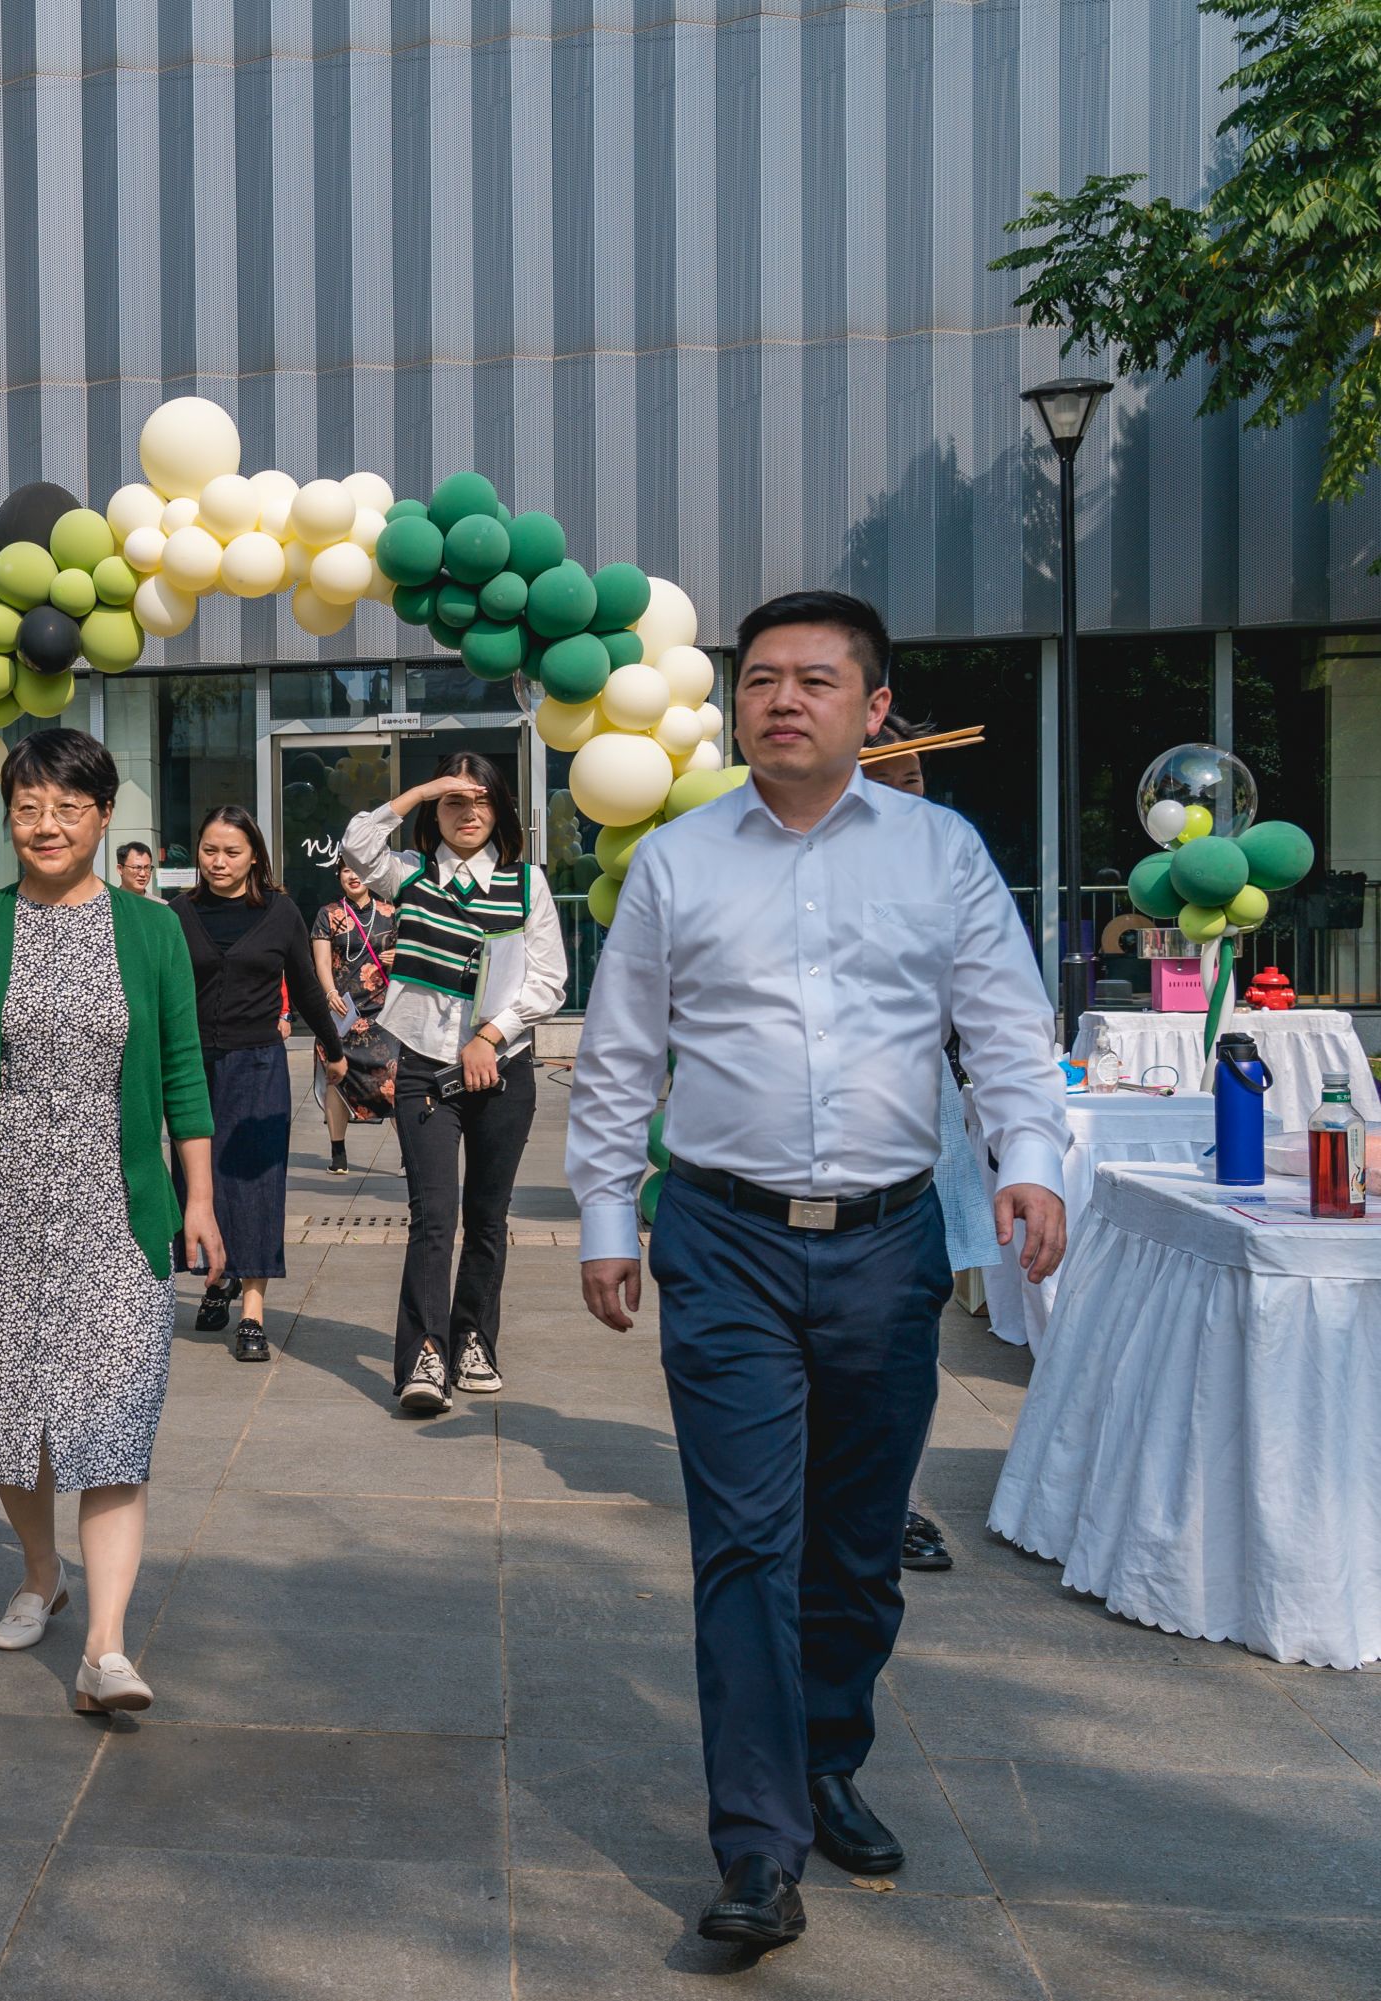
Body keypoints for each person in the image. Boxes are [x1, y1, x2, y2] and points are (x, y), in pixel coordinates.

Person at [569, 589, 1068, 1953]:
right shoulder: (678, 863)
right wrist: (607, 1218)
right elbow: (620, 1055)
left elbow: (1006, 1028)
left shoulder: (941, 854)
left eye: (815, 680)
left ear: (874, 707)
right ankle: (757, 1843)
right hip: (721, 1240)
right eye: (761, 681)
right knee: (744, 1541)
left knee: (855, 1547)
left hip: (886, 1246)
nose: (782, 700)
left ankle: (826, 1755)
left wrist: (1031, 1158)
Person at [0, 728, 219, 1717]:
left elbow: (183, 1072)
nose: (46, 826)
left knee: (114, 1421)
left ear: (104, 814)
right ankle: (43, 1573)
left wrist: (200, 1198)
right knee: (14, 1417)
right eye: (28, 808)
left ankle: (107, 1651)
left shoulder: (152, 930)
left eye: (68, 808)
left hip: (116, 1208)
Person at [339, 754, 569, 1413]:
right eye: (454, 801)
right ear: (435, 811)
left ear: (501, 811)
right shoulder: (410, 874)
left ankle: (473, 1340)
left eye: (481, 800)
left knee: (488, 1217)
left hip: (502, 1071)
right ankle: (423, 1356)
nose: (468, 813)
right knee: (433, 1217)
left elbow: (548, 980)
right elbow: (357, 845)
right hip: (425, 1071)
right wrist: (421, 789)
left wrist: (490, 1036)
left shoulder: (525, 883)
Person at [170, 807, 346, 1362]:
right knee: (200, 1182)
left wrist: (334, 1049)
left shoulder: (279, 911)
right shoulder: (179, 913)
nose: (218, 862)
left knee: (256, 1186)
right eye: (209, 850)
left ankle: (252, 1311)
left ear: (254, 858)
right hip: (193, 1068)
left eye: (232, 852)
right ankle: (217, 1276)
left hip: (258, 1067)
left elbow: (307, 988)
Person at [862, 710, 972, 1575]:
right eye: (891, 780)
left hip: (923, 1112)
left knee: (910, 1327)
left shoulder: (948, 861)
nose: (911, 796)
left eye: (918, 779)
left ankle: (892, 1498)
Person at [311, 861, 395, 1172]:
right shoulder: (329, 914)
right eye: (346, 870)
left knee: (394, 1078)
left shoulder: (390, 912)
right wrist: (330, 993)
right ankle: (338, 1153)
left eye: (358, 869)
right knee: (336, 1077)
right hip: (341, 1011)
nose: (353, 875)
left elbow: (415, 955)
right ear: (339, 876)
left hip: (383, 1012)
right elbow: (321, 962)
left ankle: (408, 1153)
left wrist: (398, 957)